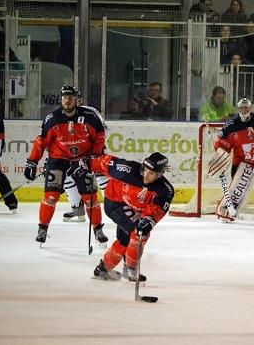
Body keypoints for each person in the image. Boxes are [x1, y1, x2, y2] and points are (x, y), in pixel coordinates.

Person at [68, 152, 174, 281]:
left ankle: (102, 270)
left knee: (125, 241)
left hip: (132, 209)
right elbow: (106, 163)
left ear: (160, 174)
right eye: (145, 170)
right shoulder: (128, 170)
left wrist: (149, 220)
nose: (146, 175)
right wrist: (87, 164)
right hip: (115, 203)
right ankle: (130, 270)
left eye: (151, 173)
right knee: (138, 233)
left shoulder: (165, 189)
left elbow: (157, 210)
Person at [24, 85, 108, 245]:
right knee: (50, 196)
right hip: (58, 160)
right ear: (61, 99)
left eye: (70, 97)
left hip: (83, 160)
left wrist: (93, 156)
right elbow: (41, 142)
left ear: (77, 99)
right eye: (64, 97)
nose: (67, 100)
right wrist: (32, 162)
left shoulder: (90, 116)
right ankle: (43, 228)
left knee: (90, 198)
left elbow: (99, 137)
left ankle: (98, 230)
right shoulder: (52, 118)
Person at [62, 92, 109, 222]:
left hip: (92, 152)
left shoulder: (90, 112)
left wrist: (95, 151)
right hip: (72, 154)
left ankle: (115, 205)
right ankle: (77, 208)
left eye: (75, 98)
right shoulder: (61, 114)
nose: (73, 101)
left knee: (101, 176)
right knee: (68, 177)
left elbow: (101, 131)